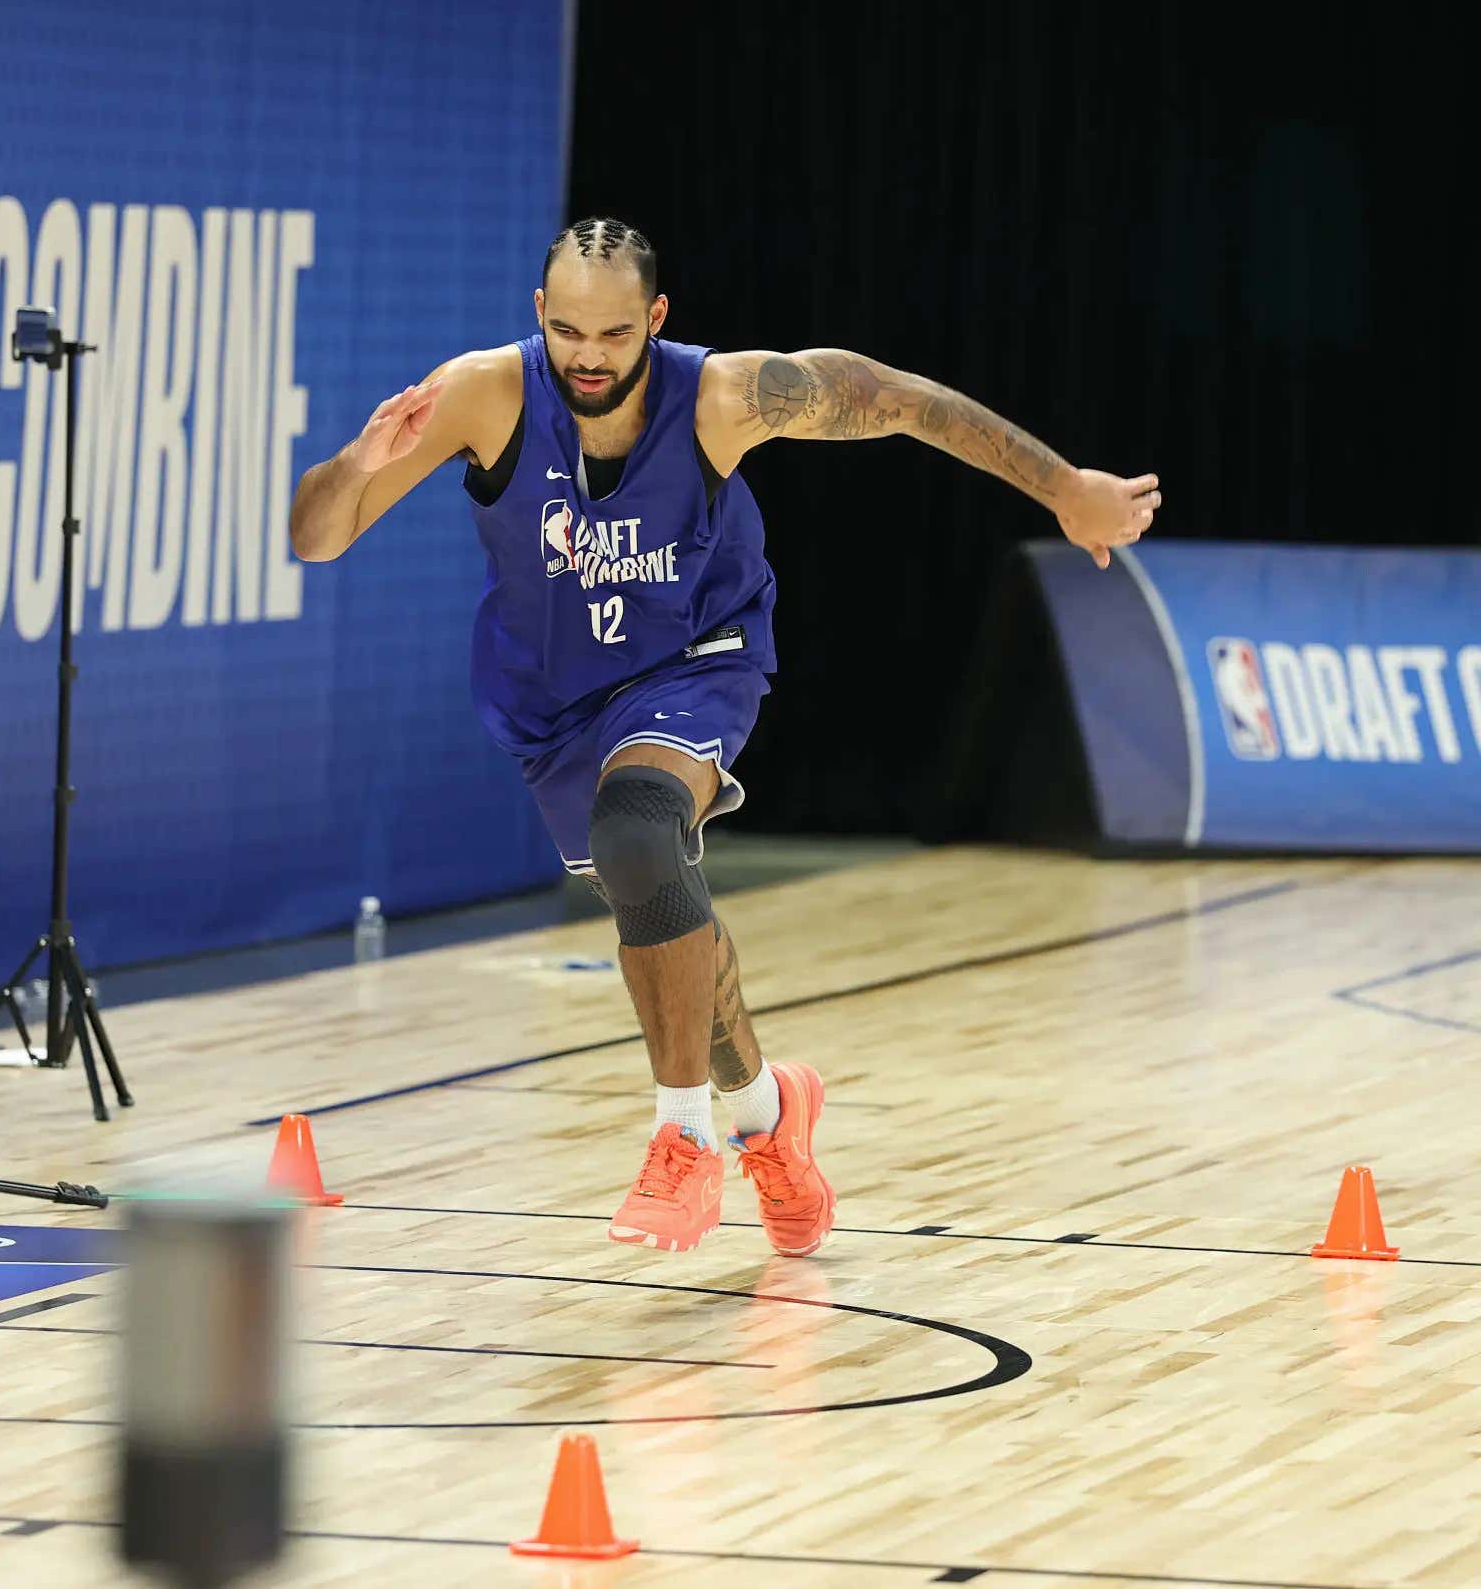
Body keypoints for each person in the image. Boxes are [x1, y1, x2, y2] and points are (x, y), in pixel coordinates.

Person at [288, 218, 1160, 1256]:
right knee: (662, 900)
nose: (588, 356)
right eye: (566, 330)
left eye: (612, 334)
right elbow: (317, 536)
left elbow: (894, 399)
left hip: (696, 656)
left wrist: (1063, 488)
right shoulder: (484, 393)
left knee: (640, 832)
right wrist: (355, 462)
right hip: (559, 701)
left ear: (654, 321)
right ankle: (765, 1116)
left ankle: (682, 1142)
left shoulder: (718, 397)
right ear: (537, 317)